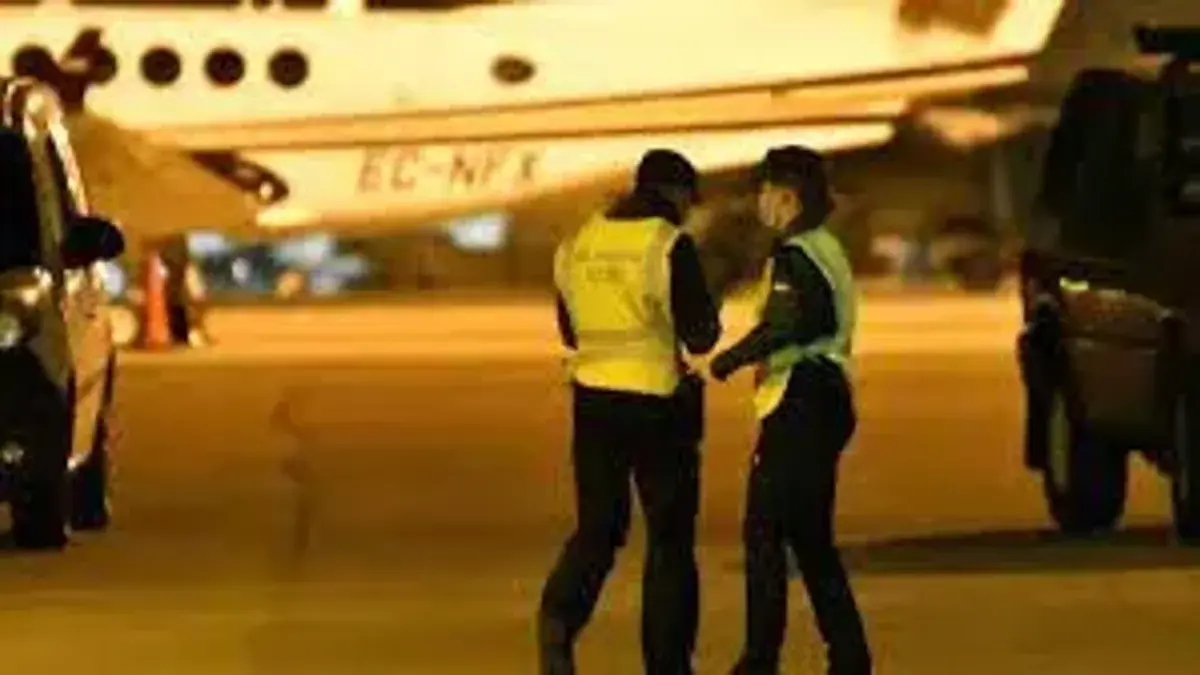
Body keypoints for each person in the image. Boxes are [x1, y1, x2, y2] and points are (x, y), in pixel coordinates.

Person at [538, 149, 722, 675]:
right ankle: (667, 664)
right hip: (657, 403)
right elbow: (701, 336)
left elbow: (571, 332)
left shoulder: (578, 244)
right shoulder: (667, 244)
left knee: (598, 530)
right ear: (676, 194)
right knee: (668, 541)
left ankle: (558, 624)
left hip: (593, 402)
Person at [709, 146, 871, 675]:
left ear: (787, 197)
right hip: (825, 397)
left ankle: (760, 660)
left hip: (801, 402)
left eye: (764, 192)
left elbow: (796, 321)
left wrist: (731, 358)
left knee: (763, 535)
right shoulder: (827, 247)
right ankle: (848, 656)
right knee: (810, 539)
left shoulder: (795, 254)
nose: (759, 202)